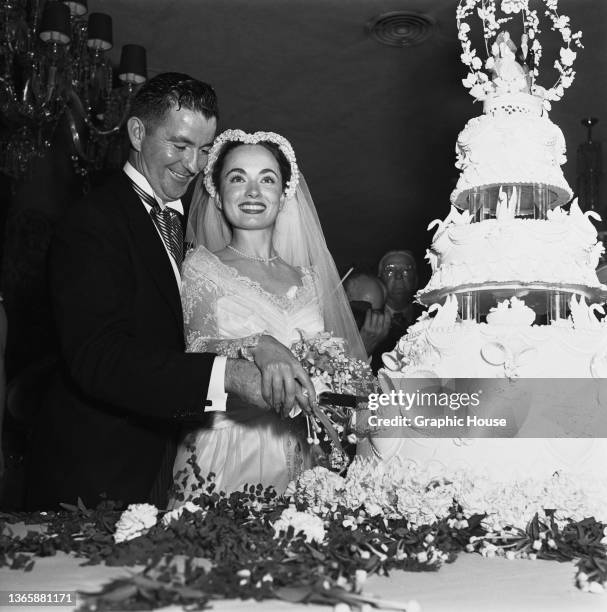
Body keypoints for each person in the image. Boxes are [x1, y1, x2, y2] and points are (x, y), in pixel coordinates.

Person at [26, 74, 315, 510]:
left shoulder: (184, 232)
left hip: (166, 465)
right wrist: (228, 375)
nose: (192, 164)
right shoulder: (94, 220)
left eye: (203, 150)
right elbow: (98, 357)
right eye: (179, 146)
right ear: (138, 133)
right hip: (97, 474)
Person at [173, 129, 365, 496]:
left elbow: (337, 367)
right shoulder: (201, 267)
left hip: (304, 454)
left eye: (267, 179)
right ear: (216, 193)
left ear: (284, 193)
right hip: (229, 451)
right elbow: (193, 350)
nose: (253, 192)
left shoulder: (309, 279)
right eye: (237, 178)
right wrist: (256, 344)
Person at [372, 250, 423, 372]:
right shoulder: (368, 321)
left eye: (406, 270)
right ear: (379, 280)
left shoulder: (431, 318)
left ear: (415, 279)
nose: (398, 276)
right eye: (390, 270)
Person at [343, 271, 391, 370]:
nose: (371, 321)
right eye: (363, 309)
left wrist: (365, 349)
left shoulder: (385, 351)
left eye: (376, 313)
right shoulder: (320, 334)